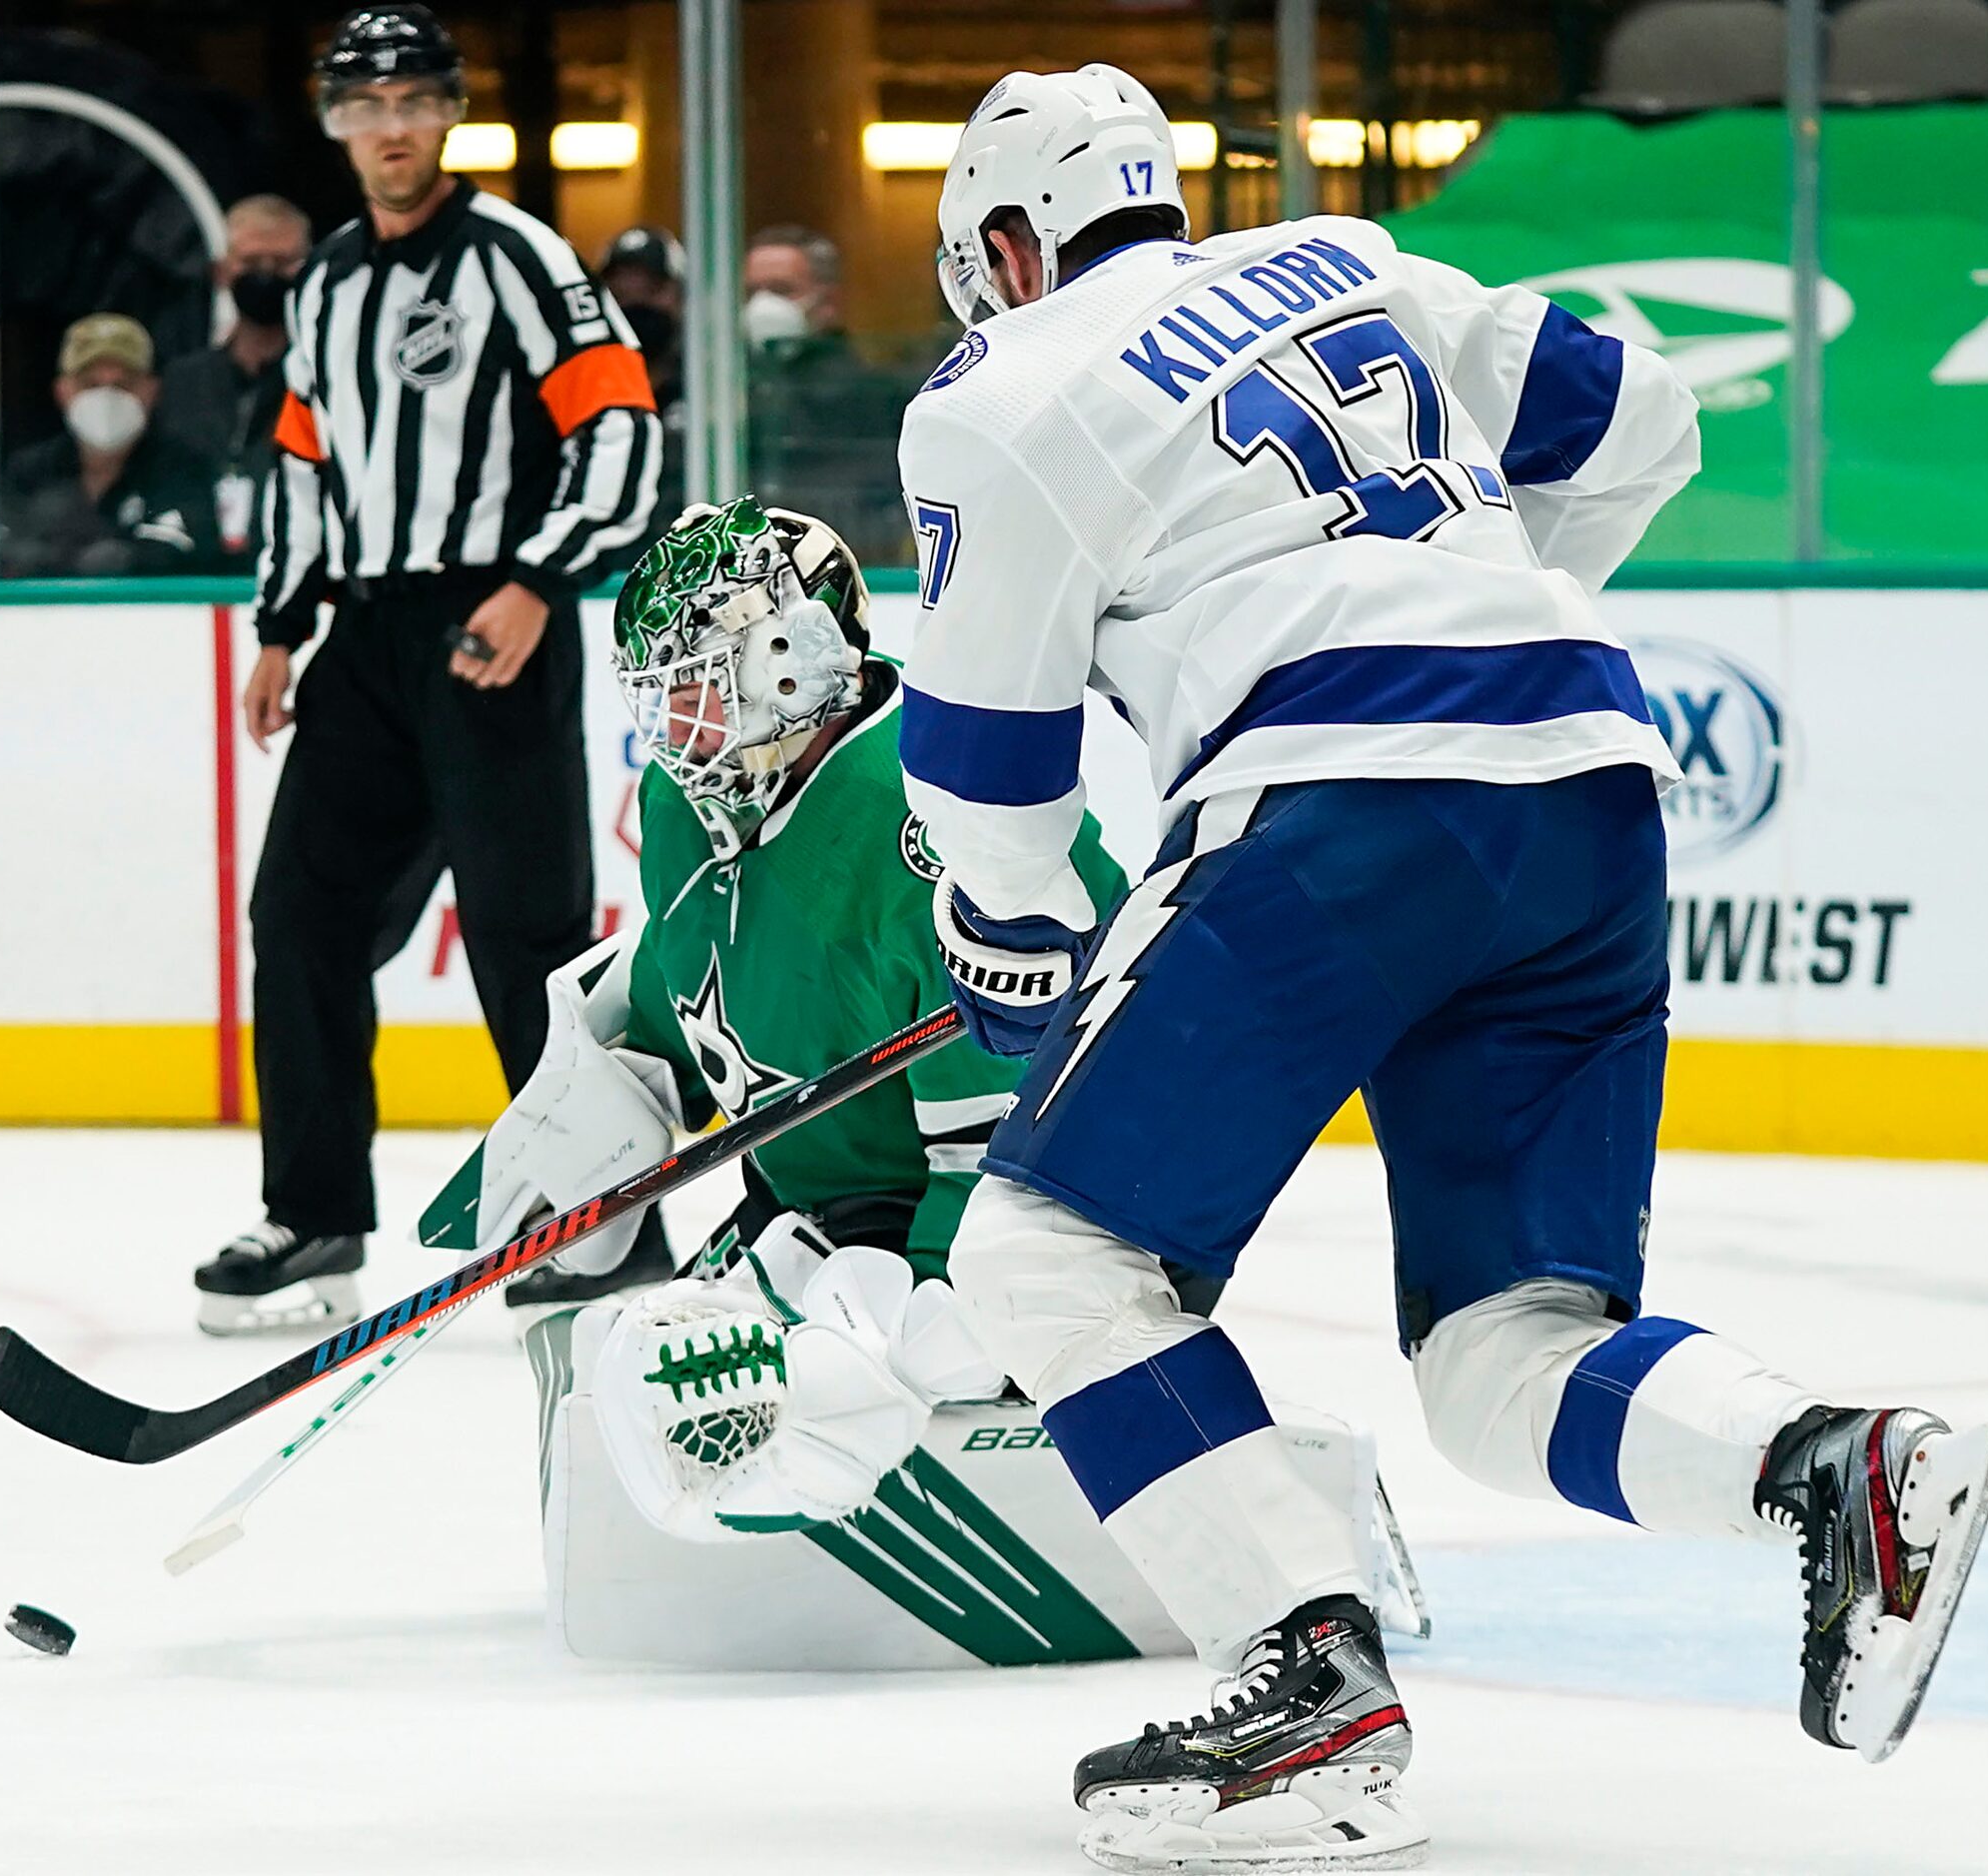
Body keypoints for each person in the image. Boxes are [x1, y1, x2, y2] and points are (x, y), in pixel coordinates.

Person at [891, 65, 1988, 1869]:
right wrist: (1481, 619)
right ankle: (1838, 1464)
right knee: (1512, 1351)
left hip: (1338, 806)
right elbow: (1645, 418)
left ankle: (1302, 1672)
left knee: (1047, 1252)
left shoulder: (1002, 390)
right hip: (1584, 779)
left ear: (1008, 247)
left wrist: (1011, 952)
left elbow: (984, 787)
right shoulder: (1355, 264)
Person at [417, 496, 1425, 1667]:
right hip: (851, 1199)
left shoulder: (928, 824)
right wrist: (596, 1092)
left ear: (792, 667)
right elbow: (690, 971)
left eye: (697, 686)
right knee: (670, 1365)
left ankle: (1237, 1528)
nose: (675, 728)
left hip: (1062, 1192)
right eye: (660, 694)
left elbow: (1012, 1133)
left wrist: (938, 1319)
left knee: (890, 1361)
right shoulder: (690, 799)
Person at [204, 2, 664, 1335]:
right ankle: (313, 1213)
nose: (390, 126)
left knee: (525, 938)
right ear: (333, 121)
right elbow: (304, 462)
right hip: (366, 643)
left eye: (413, 100)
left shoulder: (519, 258)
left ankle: (600, 1219)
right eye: (364, 104)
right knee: (298, 917)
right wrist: (282, 629)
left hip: (495, 627)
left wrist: (536, 580)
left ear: (449, 111)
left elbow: (619, 429)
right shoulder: (329, 282)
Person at [0, 311, 227, 577]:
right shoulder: (30, 472)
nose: (106, 398)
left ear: (151, 391)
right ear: (62, 391)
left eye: (123, 385)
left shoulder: (184, 469)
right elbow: (9, 552)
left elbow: (184, 553)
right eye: (91, 384)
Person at [156, 194, 313, 563]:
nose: (265, 273)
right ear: (222, 271)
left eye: (282, 262)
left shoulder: (326, 380)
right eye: (251, 261)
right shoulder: (181, 383)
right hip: (191, 579)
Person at [741, 224, 910, 564]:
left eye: (781, 289)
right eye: (752, 292)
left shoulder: (870, 399)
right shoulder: (726, 391)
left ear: (828, 302)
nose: (763, 305)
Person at [600, 224, 685, 518]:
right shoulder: (589, 386)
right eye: (620, 294)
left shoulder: (709, 383)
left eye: (651, 291)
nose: (635, 305)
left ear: (681, 295)